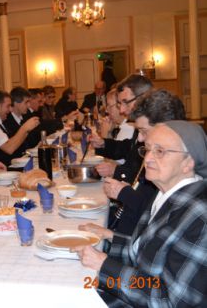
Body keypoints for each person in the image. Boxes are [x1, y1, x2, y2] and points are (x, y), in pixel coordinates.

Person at [73, 121, 207, 307]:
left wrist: (105, 265)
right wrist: (109, 242)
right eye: (147, 150)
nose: (148, 158)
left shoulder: (200, 216)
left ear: (188, 163)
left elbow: (169, 301)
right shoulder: (163, 194)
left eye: (160, 151)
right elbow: (146, 252)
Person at [102, 89, 186, 235]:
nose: (139, 139)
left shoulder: (176, 168)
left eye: (144, 131)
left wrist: (125, 193)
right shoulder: (155, 156)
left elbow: (152, 223)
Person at [91, 74, 153, 183]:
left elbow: (144, 176)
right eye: (120, 104)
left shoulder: (156, 127)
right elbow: (128, 147)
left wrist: (116, 171)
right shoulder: (139, 122)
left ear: (142, 98)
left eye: (125, 102)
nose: (122, 110)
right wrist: (103, 143)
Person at [0, 90, 40, 166]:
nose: (10, 109)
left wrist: (27, 130)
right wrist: (24, 128)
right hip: (1, 171)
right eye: (8, 106)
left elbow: (12, 142)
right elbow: (9, 148)